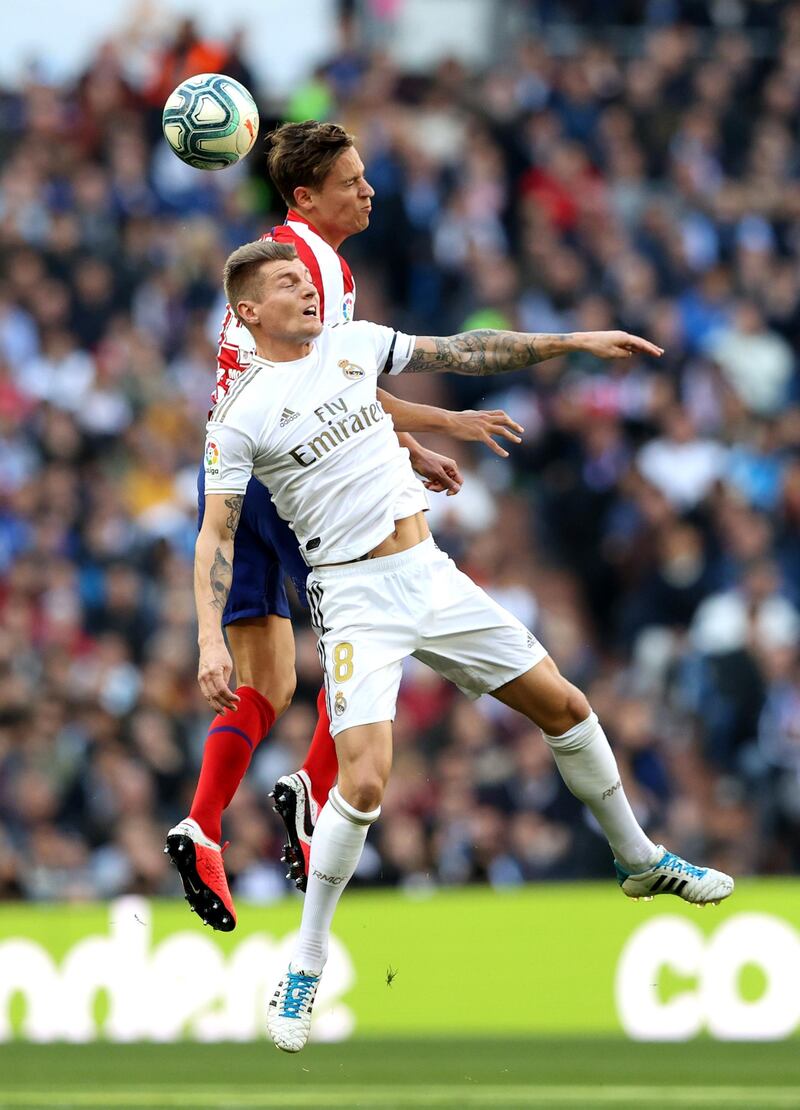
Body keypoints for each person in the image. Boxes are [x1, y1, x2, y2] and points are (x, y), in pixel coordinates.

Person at [196, 239, 735, 1052]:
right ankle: (306, 961)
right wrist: (211, 639)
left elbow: (463, 351)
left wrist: (575, 343)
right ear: (248, 312)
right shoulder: (239, 415)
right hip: (352, 599)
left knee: (567, 705)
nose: (309, 291)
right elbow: (215, 536)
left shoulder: (352, 345)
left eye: (308, 280)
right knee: (368, 779)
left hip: (430, 573)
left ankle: (640, 859)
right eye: (286, 285)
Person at [165, 122, 523, 930]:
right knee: (377, 609)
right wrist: (434, 429)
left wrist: (405, 444)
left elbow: (318, 394)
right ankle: (308, 790)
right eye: (351, 181)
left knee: (268, 681)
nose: (368, 191)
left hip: (234, 473)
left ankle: (203, 821)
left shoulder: (275, 268)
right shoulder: (311, 268)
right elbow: (337, 393)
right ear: (305, 197)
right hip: (299, 482)